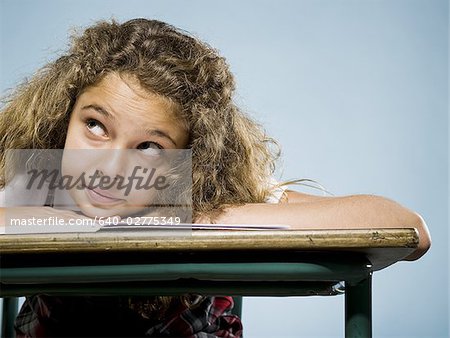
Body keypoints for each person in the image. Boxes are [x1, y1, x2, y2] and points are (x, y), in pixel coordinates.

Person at [0, 18, 431, 337]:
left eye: (150, 147)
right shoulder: (38, 182)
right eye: (95, 125)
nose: (110, 169)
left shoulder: (203, 195)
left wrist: (193, 220)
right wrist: (81, 223)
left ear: (190, 161)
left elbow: (409, 229)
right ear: (63, 120)